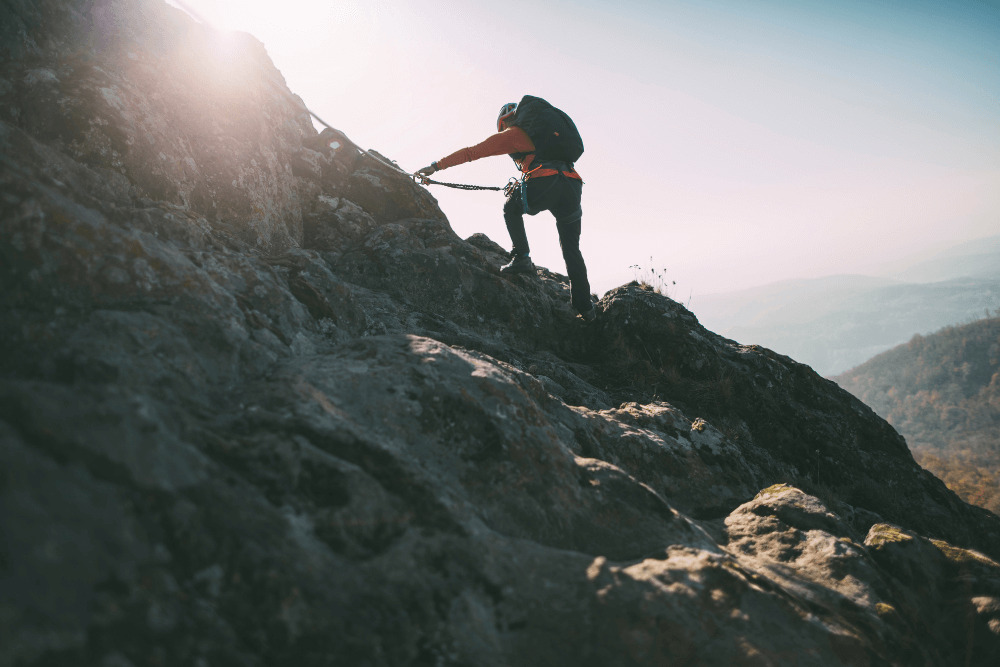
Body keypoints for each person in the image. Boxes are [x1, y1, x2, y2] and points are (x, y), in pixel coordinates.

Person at [416, 100, 596, 321]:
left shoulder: (512, 134)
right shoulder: (547, 136)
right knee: (571, 249)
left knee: (511, 208)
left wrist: (436, 166)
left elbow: (472, 152)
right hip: (571, 184)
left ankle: (522, 257)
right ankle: (585, 307)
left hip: (544, 183)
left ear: (503, 122)